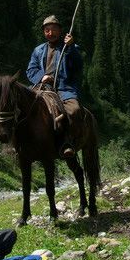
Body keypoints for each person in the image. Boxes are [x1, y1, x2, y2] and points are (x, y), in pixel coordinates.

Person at [26, 15, 83, 158]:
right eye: (46, 30)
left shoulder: (70, 47)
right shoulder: (38, 50)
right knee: (20, 105)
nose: (50, 33)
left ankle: (67, 142)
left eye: (53, 30)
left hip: (64, 88)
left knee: (74, 110)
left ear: (60, 30)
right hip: (42, 87)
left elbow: (77, 66)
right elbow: (30, 70)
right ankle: (20, 143)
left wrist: (70, 48)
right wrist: (41, 77)